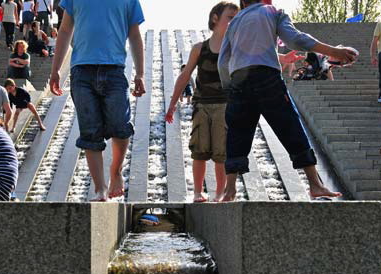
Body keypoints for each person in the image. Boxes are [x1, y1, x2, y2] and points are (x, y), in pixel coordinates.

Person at [218, 0, 357, 201]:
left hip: (239, 80)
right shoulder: (273, 11)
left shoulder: (235, 21)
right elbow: (295, 40)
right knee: (290, 125)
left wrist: (229, 88)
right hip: (266, 76)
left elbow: (223, 61)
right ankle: (315, 184)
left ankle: (229, 190)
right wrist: (333, 51)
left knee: (237, 132)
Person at [50, 0, 146, 201]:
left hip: (114, 69)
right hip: (81, 70)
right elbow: (65, 30)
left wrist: (140, 73)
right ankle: (100, 188)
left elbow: (135, 35)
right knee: (90, 131)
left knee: (120, 125)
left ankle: (116, 171)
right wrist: (56, 69)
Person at [164, 2, 238, 202]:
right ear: (215, 18)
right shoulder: (200, 48)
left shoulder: (234, 49)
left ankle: (220, 192)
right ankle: (197, 191)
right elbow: (184, 75)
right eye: (230, 17)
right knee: (199, 150)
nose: (233, 22)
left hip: (225, 105)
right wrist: (172, 105)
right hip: (202, 105)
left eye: (235, 18)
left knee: (222, 153)